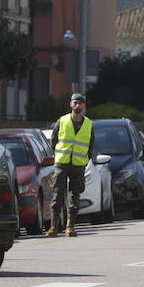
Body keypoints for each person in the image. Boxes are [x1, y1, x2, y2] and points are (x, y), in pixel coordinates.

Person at [46, 92, 93, 237]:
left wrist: (85, 160)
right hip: (62, 163)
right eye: (75, 103)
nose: (77, 105)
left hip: (78, 164)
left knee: (75, 195)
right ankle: (53, 227)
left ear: (84, 105)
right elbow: (53, 140)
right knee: (57, 194)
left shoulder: (88, 124)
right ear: (71, 104)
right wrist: (58, 155)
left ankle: (70, 227)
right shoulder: (62, 121)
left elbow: (91, 145)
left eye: (80, 103)